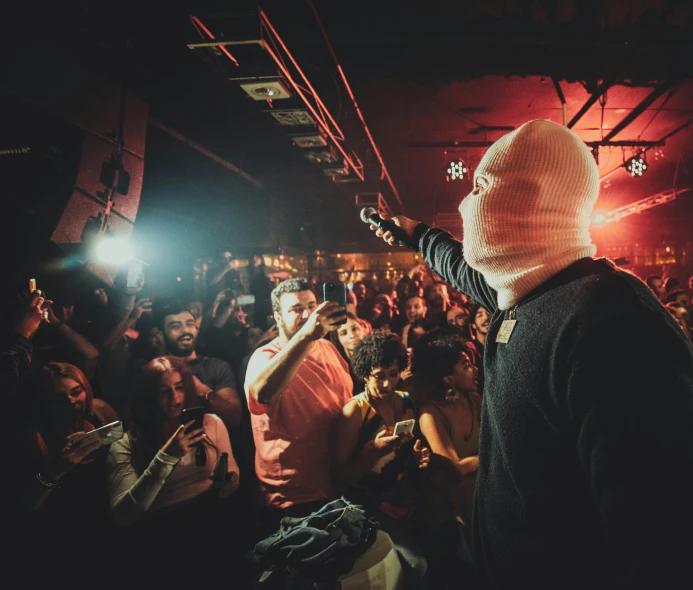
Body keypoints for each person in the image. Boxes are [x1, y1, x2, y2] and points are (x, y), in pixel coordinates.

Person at [370, 119, 693, 590]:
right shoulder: (532, 292)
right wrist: (418, 235)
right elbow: (465, 270)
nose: (467, 203)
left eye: (481, 187)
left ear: (532, 201)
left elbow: (659, 541)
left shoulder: (614, 324)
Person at [244, 279, 352, 520]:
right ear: (278, 316)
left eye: (311, 306)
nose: (307, 314)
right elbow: (261, 393)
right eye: (295, 309)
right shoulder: (266, 356)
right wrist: (305, 336)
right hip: (292, 498)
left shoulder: (327, 348)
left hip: (335, 483)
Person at [335, 332, 431, 588]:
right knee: (416, 565)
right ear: (365, 373)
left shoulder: (407, 401)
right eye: (380, 376)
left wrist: (419, 455)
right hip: (369, 505)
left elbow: (414, 450)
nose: (388, 383)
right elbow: (341, 479)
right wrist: (371, 452)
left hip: (406, 498)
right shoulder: (355, 411)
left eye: (393, 373)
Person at [107, 356, 238, 526]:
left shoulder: (211, 423)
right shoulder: (127, 443)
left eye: (180, 388)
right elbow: (123, 515)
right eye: (164, 391)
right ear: (149, 395)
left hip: (211, 516)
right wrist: (166, 457)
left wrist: (231, 482)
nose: (174, 398)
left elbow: (232, 469)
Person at [415, 336, 481, 588]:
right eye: (466, 365)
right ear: (448, 379)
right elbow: (456, 467)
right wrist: (494, 457)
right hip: (451, 509)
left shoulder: (475, 400)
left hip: (480, 494)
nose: (475, 369)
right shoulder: (430, 414)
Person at [153, 297, 242, 429]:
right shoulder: (152, 372)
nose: (185, 330)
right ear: (161, 334)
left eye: (189, 324)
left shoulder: (216, 367)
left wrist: (202, 390)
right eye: (176, 326)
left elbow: (235, 417)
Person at [328, 312, 370, 393]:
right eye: (343, 333)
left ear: (363, 329)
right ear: (338, 339)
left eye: (355, 329)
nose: (351, 335)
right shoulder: (337, 366)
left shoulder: (374, 358)